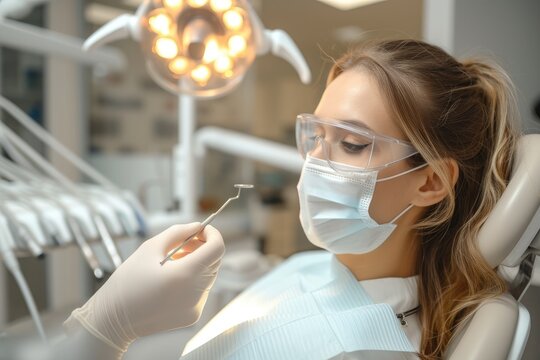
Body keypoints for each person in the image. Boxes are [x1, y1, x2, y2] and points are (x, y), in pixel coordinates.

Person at [59, 39, 521, 360]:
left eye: (352, 144)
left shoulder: (353, 350)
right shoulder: (321, 265)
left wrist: (105, 328)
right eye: (315, 135)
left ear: (431, 182)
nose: (314, 164)